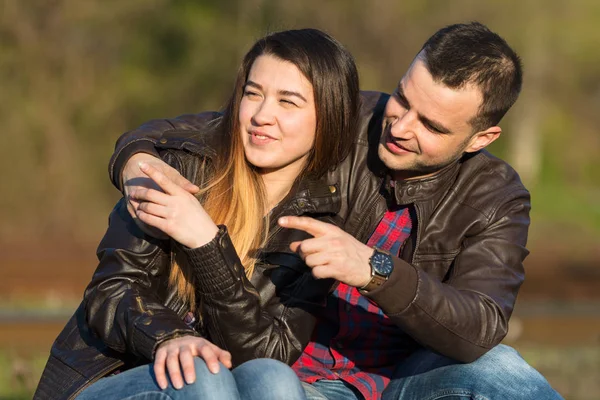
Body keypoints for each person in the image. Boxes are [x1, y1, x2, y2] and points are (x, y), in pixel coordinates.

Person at [108, 22, 563, 399]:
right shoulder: (355, 117)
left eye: (431, 125)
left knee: (502, 370)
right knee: (272, 382)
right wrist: (133, 155)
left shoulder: (496, 197)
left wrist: (375, 270)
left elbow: (479, 325)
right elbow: (224, 127)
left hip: (403, 382)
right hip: (293, 373)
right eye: (403, 99)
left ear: (481, 139)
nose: (401, 126)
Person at [34, 28, 361, 400]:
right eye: (253, 94)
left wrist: (206, 244)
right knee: (202, 376)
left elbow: (266, 353)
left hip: (218, 384)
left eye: (288, 102)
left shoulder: (319, 225)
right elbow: (111, 291)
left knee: (275, 381)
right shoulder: (179, 169)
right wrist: (170, 338)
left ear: (329, 116)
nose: (262, 115)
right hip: (113, 380)